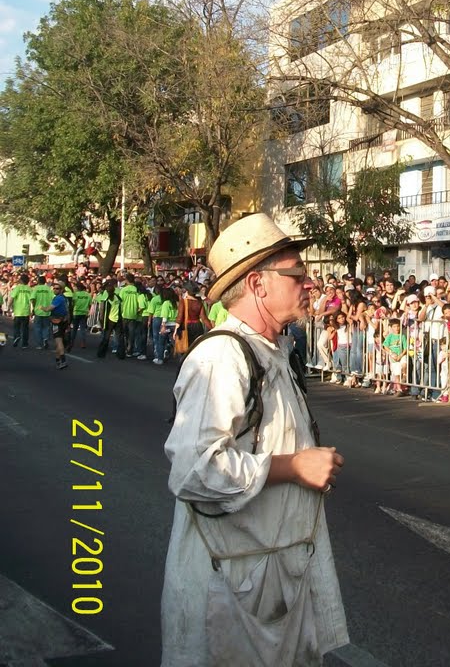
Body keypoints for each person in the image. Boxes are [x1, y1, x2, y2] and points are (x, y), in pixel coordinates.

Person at [161, 213, 348, 667]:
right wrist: (293, 467)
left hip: (269, 581)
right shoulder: (222, 356)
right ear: (258, 284)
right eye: (297, 274)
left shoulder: (276, 352)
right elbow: (194, 469)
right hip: (231, 591)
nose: (309, 283)